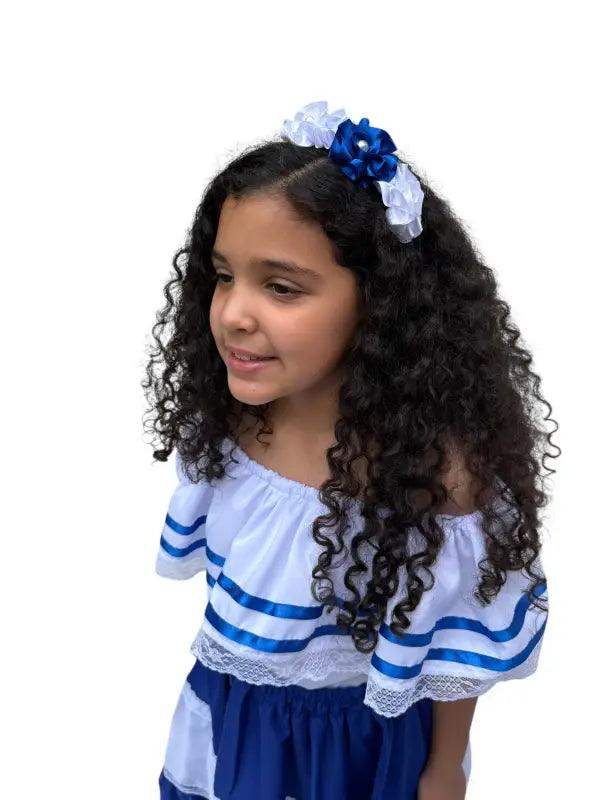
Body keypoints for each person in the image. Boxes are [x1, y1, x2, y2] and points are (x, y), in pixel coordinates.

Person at [142, 100, 556, 800]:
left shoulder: (433, 474)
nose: (233, 313)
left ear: (378, 302)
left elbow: (452, 646)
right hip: (234, 727)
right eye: (223, 275)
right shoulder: (233, 427)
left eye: (281, 288)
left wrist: (443, 769)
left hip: (362, 753)